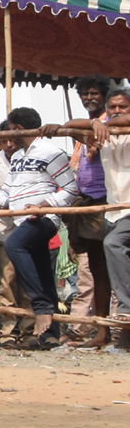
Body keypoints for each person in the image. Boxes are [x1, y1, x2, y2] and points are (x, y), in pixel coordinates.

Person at [0, 107, 79, 349]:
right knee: (44, 274)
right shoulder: (19, 157)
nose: (8, 135)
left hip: (43, 219)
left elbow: (71, 189)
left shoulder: (51, 152)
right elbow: (9, 189)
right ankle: (50, 336)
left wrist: (45, 205)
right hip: (22, 219)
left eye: (10, 129)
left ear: (19, 128)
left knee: (14, 245)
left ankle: (41, 307)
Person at [44, 75, 113, 347]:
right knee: (97, 269)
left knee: (111, 269)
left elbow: (78, 126)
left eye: (94, 93)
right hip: (89, 201)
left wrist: (91, 124)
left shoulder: (112, 121)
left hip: (108, 200)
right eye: (85, 94)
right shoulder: (91, 126)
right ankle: (102, 329)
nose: (89, 98)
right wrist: (69, 128)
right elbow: (74, 127)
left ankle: (108, 329)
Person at [97, 86, 130, 343]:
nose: (117, 111)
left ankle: (127, 307)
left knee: (113, 244)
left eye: (123, 106)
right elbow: (69, 123)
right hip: (112, 212)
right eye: (112, 107)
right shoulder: (101, 130)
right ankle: (124, 340)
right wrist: (94, 122)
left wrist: (107, 122)